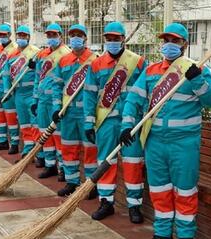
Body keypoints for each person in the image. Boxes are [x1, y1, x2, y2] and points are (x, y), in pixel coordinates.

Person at [120, 23, 211, 239]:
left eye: (175, 41)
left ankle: (186, 237)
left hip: (184, 143)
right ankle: (163, 233)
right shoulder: (151, 71)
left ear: (184, 44)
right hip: (154, 141)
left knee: (185, 190)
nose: (169, 45)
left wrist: (197, 81)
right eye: (166, 40)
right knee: (159, 189)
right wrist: (126, 125)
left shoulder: (196, 69)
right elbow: (133, 100)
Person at [84, 21, 147, 223]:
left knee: (133, 162)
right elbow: (89, 95)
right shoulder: (96, 64)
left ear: (124, 39)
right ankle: (106, 202)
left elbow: (146, 92)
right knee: (105, 162)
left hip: (131, 122)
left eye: (116, 38)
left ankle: (134, 206)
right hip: (107, 122)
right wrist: (88, 123)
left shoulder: (137, 62)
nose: (112, 42)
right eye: (108, 39)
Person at [51, 24, 98, 198]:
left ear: (85, 38)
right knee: (69, 148)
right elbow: (57, 85)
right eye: (72, 35)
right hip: (68, 112)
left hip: (87, 113)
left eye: (79, 35)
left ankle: (90, 184)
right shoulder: (63, 60)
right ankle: (71, 181)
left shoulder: (94, 60)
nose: (75, 38)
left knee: (90, 149)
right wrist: (56, 107)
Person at [31, 23, 71, 179]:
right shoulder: (42, 54)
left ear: (60, 35)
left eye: (54, 35)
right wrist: (35, 99)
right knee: (44, 132)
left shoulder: (66, 53)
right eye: (49, 35)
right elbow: (37, 77)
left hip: (57, 100)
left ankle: (62, 167)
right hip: (42, 100)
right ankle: (49, 164)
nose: (51, 38)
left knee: (58, 134)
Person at [2, 25, 42, 161]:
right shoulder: (11, 55)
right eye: (19, 35)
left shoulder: (36, 52)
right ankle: (27, 150)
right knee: (24, 124)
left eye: (24, 36)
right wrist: (7, 91)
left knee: (35, 124)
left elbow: (43, 71)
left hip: (31, 93)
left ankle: (39, 153)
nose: (21, 38)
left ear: (29, 37)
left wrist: (35, 65)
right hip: (18, 93)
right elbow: (6, 75)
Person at [0, 24, 19, 153]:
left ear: (9, 35)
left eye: (4, 35)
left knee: (10, 116)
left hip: (9, 88)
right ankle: (2, 141)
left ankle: (14, 143)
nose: (2, 37)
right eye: (0, 35)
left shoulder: (16, 49)